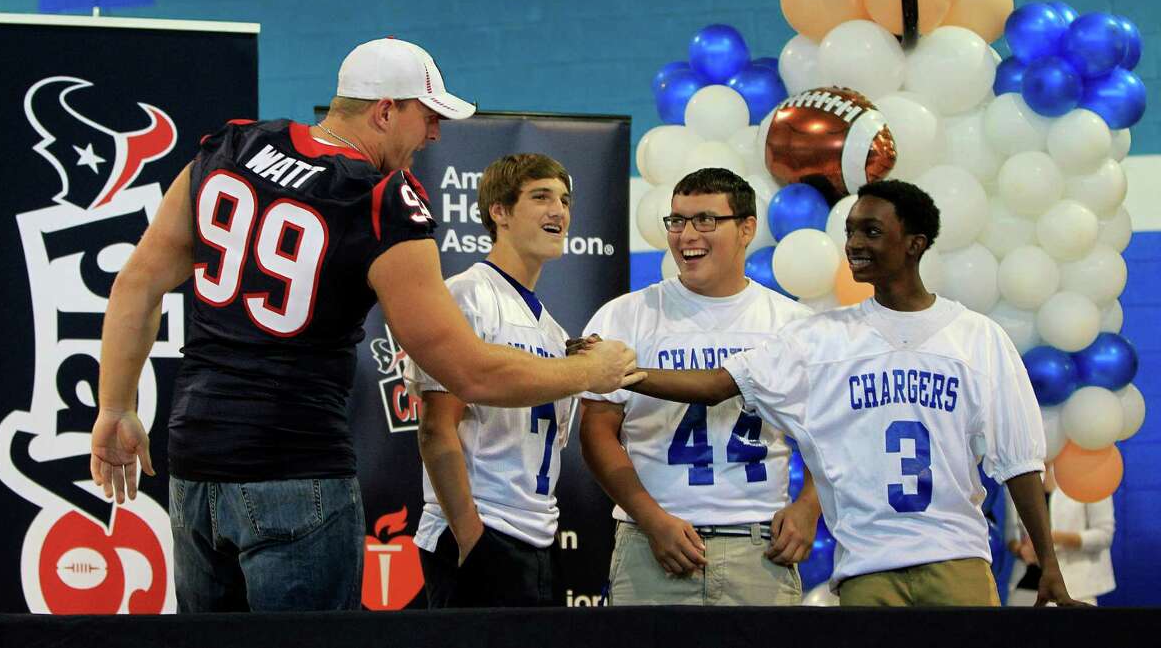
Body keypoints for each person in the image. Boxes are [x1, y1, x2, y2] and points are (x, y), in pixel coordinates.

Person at [88, 38, 640, 613]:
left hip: (197, 467)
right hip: (297, 470)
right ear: (385, 110)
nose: (434, 136)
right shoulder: (381, 198)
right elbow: (468, 372)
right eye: (427, 118)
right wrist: (585, 369)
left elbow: (137, 284)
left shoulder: (230, 146)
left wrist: (115, 407)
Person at [620, 178, 1082, 607]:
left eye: (872, 231)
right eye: (851, 231)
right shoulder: (820, 337)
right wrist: (620, 371)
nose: (855, 244)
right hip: (867, 567)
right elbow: (715, 385)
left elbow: (1019, 464)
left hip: (957, 557)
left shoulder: (978, 338)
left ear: (915, 244)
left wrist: (1049, 564)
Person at [579, 167, 820, 606]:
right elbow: (596, 432)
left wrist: (809, 507)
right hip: (651, 543)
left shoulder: (792, 324)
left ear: (747, 228)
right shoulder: (626, 315)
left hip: (759, 545)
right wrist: (651, 519)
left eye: (706, 219)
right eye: (677, 220)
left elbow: (830, 432)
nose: (687, 234)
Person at [408, 153, 578, 608]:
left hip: (537, 535)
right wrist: (470, 535)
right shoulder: (468, 295)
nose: (558, 211)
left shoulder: (554, 330)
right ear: (498, 212)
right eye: (541, 197)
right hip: (484, 528)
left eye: (564, 199)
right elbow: (436, 428)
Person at [1007, 465, 1115, 606]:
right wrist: (1021, 550)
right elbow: (1010, 536)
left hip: (1076, 588)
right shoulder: (1019, 470)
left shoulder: (1089, 471)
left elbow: (1104, 534)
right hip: (1025, 586)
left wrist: (1050, 539)